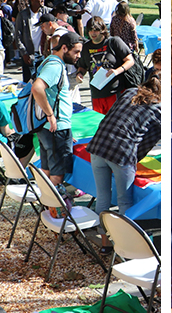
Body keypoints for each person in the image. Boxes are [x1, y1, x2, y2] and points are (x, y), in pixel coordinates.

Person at [88, 71, 160, 252]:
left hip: (97, 146)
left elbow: (111, 117)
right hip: (121, 154)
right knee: (125, 202)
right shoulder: (159, 109)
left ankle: (105, 244)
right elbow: (148, 142)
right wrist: (135, 161)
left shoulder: (129, 92)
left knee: (102, 198)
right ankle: (126, 246)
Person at [31, 31, 81, 187]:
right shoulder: (55, 65)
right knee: (57, 174)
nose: (78, 55)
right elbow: (37, 88)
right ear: (64, 48)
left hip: (50, 128)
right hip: (55, 128)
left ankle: (46, 207)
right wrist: (51, 115)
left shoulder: (51, 62)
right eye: (76, 52)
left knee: (47, 169)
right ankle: (55, 209)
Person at [75, 16, 134, 114]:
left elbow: (130, 60)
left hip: (115, 91)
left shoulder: (113, 42)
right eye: (90, 30)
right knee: (100, 123)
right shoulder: (86, 47)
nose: (93, 33)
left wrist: (117, 71)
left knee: (115, 122)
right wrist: (80, 74)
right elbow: (83, 66)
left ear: (102, 30)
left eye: (96, 30)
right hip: (96, 93)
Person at [14, 0, 51, 82]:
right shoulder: (23, 15)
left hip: (42, 54)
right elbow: (18, 36)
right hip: (29, 54)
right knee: (28, 83)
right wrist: (24, 53)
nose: (42, 0)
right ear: (32, 0)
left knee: (42, 82)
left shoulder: (46, 12)